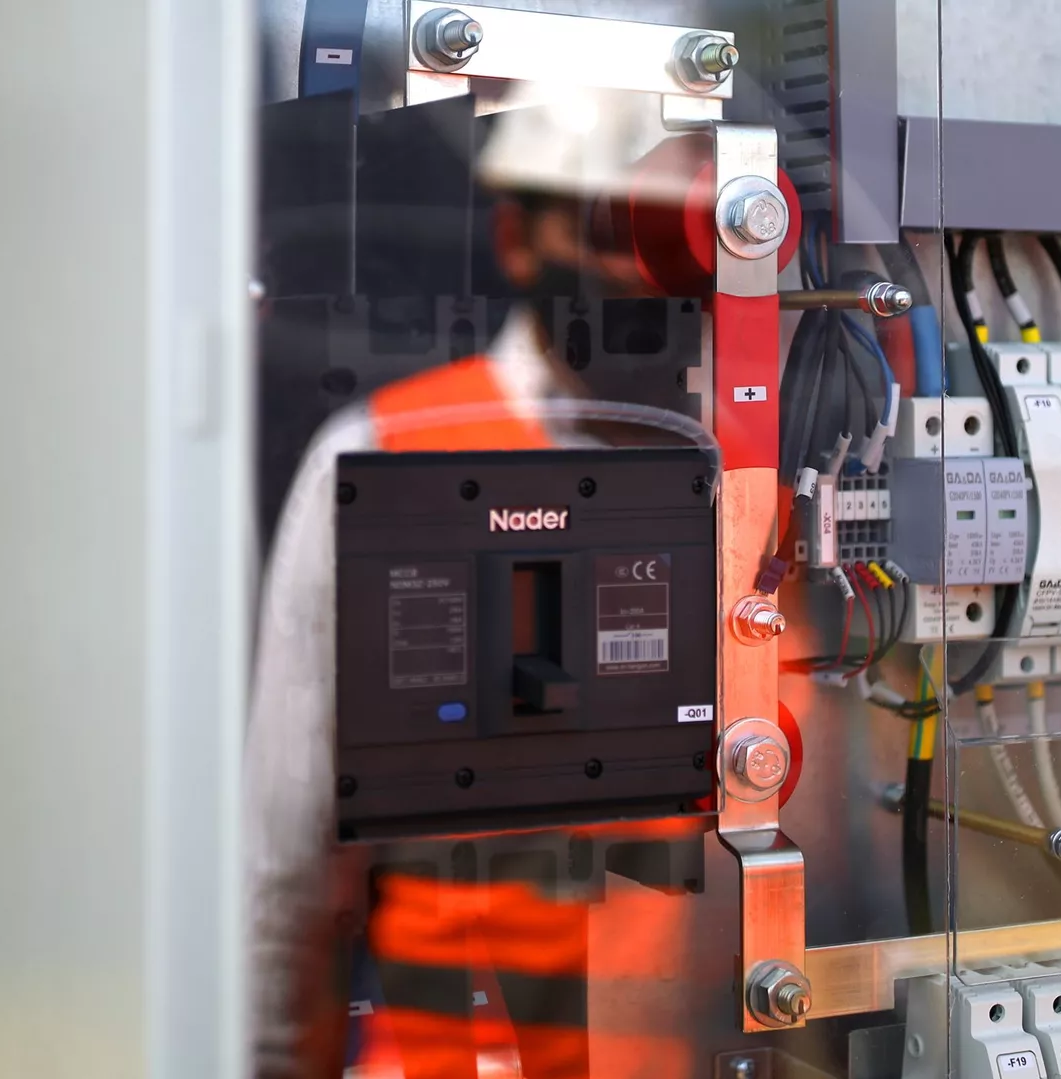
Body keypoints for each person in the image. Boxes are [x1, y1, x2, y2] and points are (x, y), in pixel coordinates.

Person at [245, 88, 703, 1079]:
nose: (639, 267)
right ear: (517, 238)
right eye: (605, 228)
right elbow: (290, 866)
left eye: (670, 236)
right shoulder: (392, 459)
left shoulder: (763, 474)